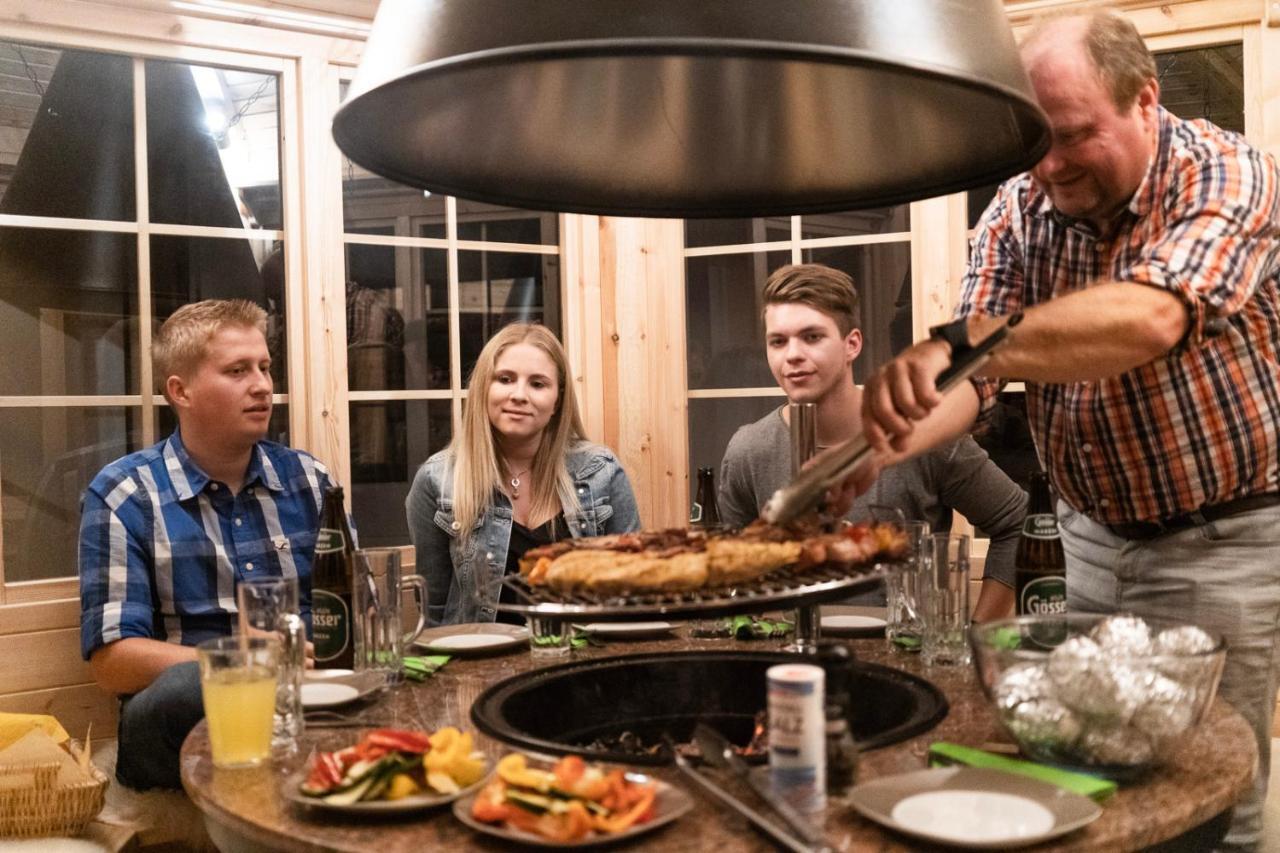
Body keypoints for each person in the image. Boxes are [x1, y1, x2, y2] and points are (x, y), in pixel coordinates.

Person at [859, 12, 1280, 849]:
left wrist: (963, 344)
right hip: (1089, 545)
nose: (1049, 165)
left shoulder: (1227, 173)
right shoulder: (1019, 208)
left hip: (1223, 540)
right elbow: (973, 379)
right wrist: (896, 433)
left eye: (1075, 135)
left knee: (1210, 792)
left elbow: (1154, 317)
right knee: (1084, 779)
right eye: (1034, 141)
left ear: (1145, 100)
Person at [78, 299, 334, 791]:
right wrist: (238, 662)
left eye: (264, 367)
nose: (261, 385)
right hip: (178, 721)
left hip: (304, 699)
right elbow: (111, 662)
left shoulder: (309, 479)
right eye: (237, 370)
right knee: (185, 689)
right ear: (181, 391)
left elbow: (345, 614)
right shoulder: (125, 494)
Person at [717, 263, 1027, 621]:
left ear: (852, 345)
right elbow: (731, 567)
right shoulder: (749, 450)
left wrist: (979, 632)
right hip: (790, 660)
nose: (792, 355)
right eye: (778, 341)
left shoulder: (921, 436)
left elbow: (1016, 522)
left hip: (904, 654)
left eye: (812, 337)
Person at [406, 323, 641, 626]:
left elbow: (634, 593)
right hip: (483, 669)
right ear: (483, 389)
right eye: (505, 379)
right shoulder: (437, 481)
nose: (519, 395)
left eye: (538, 384)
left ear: (557, 400)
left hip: (585, 661)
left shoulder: (602, 471)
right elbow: (435, 612)